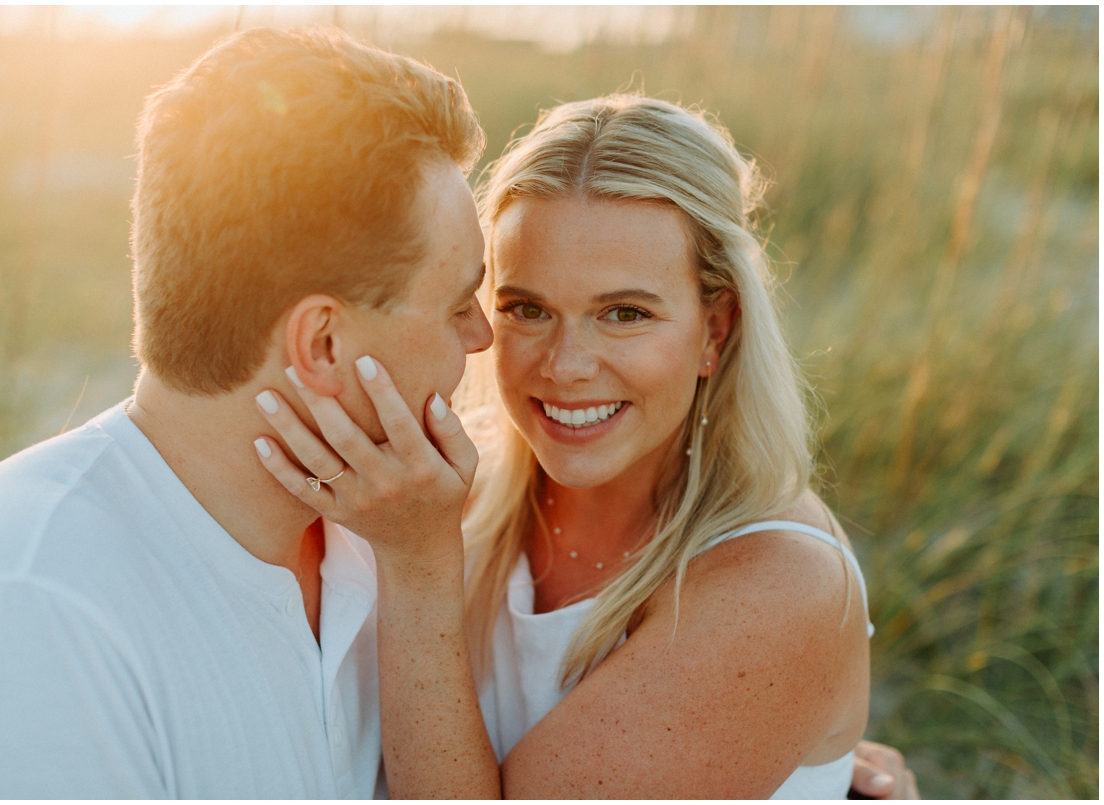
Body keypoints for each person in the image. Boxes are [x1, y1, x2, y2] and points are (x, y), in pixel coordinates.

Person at [0, 25, 914, 799]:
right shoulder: (415, 514)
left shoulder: (407, 540)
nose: (535, 357)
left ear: (715, 330)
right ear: (326, 344)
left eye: (626, 312)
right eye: (505, 305)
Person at [255, 94, 908, 797]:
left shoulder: (780, 586)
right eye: (527, 308)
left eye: (624, 313)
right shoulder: (436, 491)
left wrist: (418, 570)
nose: (566, 365)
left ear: (715, 331)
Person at [0, 26, 491, 798]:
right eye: (457, 305)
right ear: (321, 344)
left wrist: (420, 566)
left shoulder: (387, 532)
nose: (483, 336)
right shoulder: (27, 607)